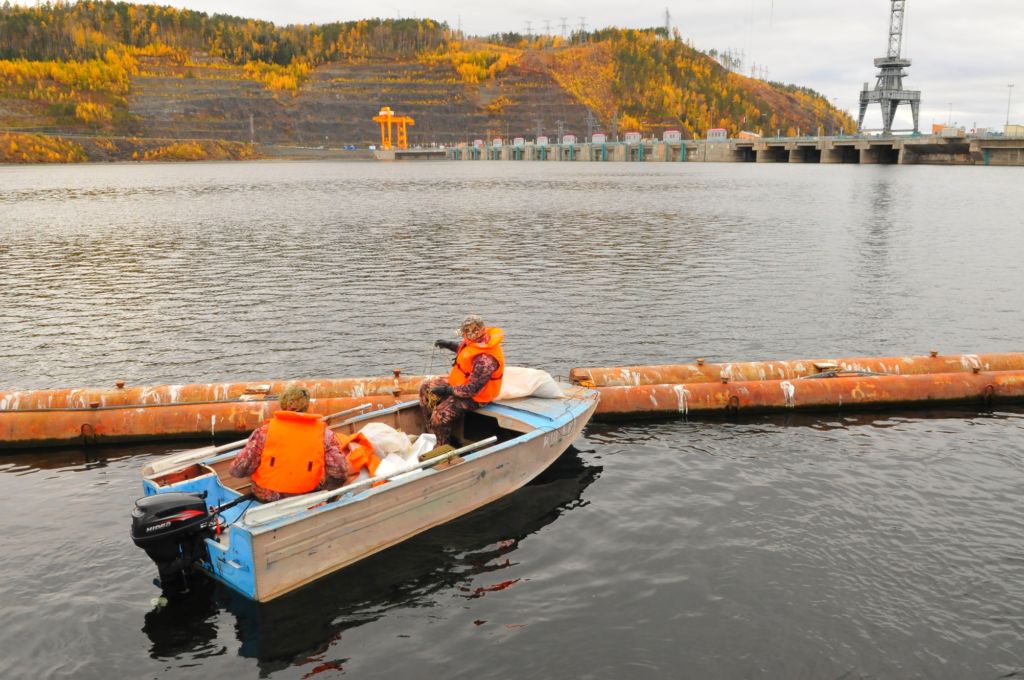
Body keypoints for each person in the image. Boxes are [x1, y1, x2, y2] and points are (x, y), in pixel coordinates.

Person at [229, 385, 348, 503]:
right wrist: (327, 493)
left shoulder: (264, 432)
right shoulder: (325, 435)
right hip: (306, 496)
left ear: (283, 404)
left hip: (266, 496)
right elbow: (340, 471)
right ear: (306, 407)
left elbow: (238, 470)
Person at [419, 314, 505, 446]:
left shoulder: (485, 360)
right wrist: (450, 345)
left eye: (467, 333)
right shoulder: (478, 340)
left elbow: (472, 390)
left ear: (478, 331)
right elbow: (467, 350)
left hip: (477, 397)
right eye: (464, 333)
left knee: (439, 415)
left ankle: (442, 449)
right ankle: (431, 432)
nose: (466, 336)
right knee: (426, 388)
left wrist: (448, 391)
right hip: (460, 385)